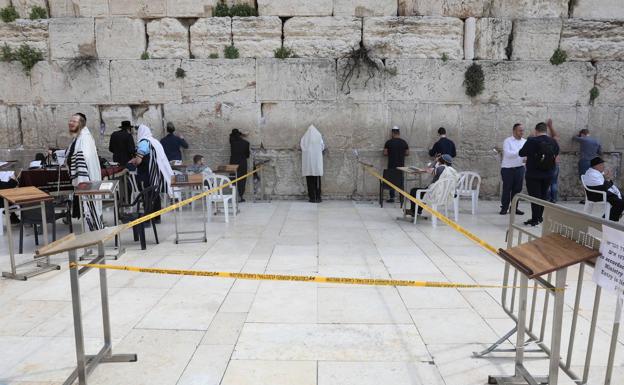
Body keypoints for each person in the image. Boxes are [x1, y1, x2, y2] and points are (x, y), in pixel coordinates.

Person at [129, 124, 174, 223]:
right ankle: (157, 218)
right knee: (155, 194)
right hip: (155, 173)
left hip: (146, 173)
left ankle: (148, 219)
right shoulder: (154, 141)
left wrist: (133, 161)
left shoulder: (143, 142)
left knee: (147, 195)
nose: (136, 135)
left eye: (137, 133)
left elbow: (139, 161)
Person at [518, 122, 560, 226]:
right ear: (546, 130)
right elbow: (556, 152)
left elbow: (521, 153)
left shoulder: (532, 140)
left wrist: (530, 139)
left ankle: (535, 219)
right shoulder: (553, 141)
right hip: (548, 174)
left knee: (534, 198)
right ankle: (539, 217)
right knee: (543, 196)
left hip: (533, 174)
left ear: (536, 130)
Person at [66, 113, 103, 230]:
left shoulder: (85, 138)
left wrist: (82, 183)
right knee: (86, 208)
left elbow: (82, 158)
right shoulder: (78, 137)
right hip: (83, 181)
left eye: (74, 121)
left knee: (89, 207)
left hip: (86, 180)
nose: (70, 123)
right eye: (70, 121)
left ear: (81, 124)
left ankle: (93, 234)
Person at [583, 157, 623, 221]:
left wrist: (607, 178)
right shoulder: (592, 174)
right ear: (595, 166)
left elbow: (603, 184)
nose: (603, 167)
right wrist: (608, 179)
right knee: (620, 202)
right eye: (601, 165)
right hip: (597, 194)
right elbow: (603, 186)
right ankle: (610, 222)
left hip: (600, 191)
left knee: (622, 197)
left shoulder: (595, 172)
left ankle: (609, 217)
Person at [499, 123, 526, 215]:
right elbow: (508, 154)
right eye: (520, 130)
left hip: (520, 168)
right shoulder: (507, 141)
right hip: (507, 169)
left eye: (523, 130)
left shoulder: (525, 142)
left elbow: (526, 155)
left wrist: (524, 155)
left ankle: (514, 208)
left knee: (517, 190)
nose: (522, 132)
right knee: (507, 189)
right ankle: (504, 208)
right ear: (514, 131)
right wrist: (521, 153)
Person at [573, 129, 602, 201]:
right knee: (593, 179)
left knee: (584, 180)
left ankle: (586, 198)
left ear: (582, 134)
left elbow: (573, 138)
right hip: (594, 163)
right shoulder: (596, 141)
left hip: (584, 161)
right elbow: (600, 152)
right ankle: (594, 197)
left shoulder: (583, 139)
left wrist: (578, 135)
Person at [383, 126, 409, 203]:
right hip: (401, 165)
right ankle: (401, 197)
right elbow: (407, 153)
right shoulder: (404, 142)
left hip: (391, 164)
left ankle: (392, 198)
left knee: (391, 181)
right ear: (399, 133)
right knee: (400, 181)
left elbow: (385, 153)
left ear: (392, 133)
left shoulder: (388, 142)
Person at [300, 125, 325, 203]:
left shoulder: (304, 138)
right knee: (317, 180)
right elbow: (322, 147)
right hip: (316, 163)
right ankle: (318, 197)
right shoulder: (318, 136)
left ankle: (312, 198)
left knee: (309, 180)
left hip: (308, 164)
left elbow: (302, 147)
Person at [229, 129, 250, 202]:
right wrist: (243, 134)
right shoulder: (246, 143)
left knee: (233, 179)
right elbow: (247, 155)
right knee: (242, 179)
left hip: (233, 162)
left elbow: (231, 135)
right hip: (242, 162)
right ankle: (241, 196)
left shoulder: (232, 142)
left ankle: (233, 196)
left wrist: (241, 133)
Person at [546, 119, 560, 203]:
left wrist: (546, 126)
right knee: (554, 182)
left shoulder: (544, 142)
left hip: (547, 164)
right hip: (556, 163)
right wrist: (550, 126)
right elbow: (555, 135)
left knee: (547, 182)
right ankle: (554, 199)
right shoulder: (555, 143)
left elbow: (532, 135)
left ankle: (547, 198)